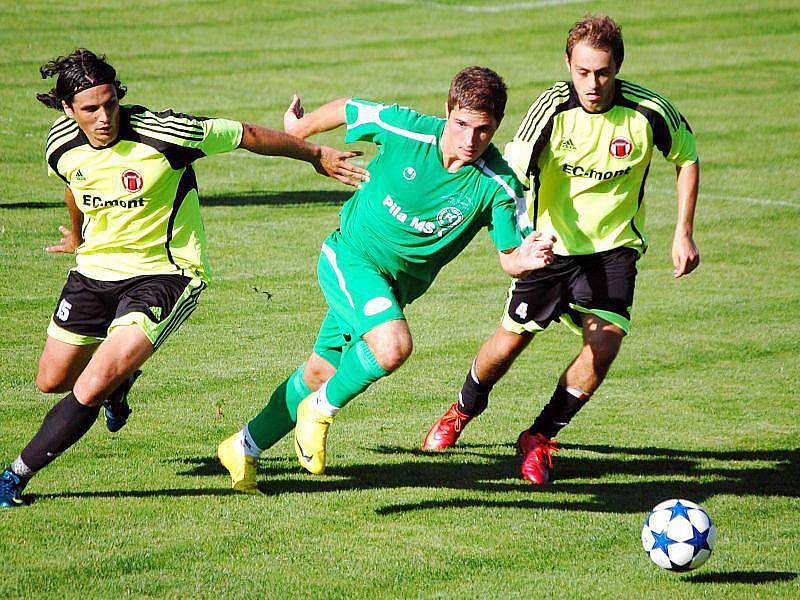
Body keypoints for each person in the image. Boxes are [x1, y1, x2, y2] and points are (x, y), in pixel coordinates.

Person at [0, 48, 367, 508]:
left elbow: (245, 135)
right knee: (52, 381)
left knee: (91, 386)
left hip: (165, 274)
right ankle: (121, 379)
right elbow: (76, 185)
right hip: (95, 272)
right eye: (90, 109)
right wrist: (76, 236)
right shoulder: (60, 144)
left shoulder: (165, 133)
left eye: (110, 103)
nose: (103, 117)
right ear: (68, 110)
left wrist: (314, 152)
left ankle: (14, 476)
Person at [217, 66, 556, 493]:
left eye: (483, 130)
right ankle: (317, 412)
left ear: (497, 127)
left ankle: (243, 446)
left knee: (321, 370)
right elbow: (348, 108)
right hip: (349, 258)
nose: (470, 140)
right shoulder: (408, 130)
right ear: (447, 111)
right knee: (392, 345)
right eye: (462, 125)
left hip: (391, 289)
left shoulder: (498, 184)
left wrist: (528, 257)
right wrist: (300, 129)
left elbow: (511, 257)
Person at [422, 15, 700, 484]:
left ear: (618, 67)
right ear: (568, 63)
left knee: (605, 343)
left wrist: (683, 231)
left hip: (614, 250)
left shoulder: (650, 112)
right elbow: (510, 175)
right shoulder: (550, 109)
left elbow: (687, 157)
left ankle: (541, 436)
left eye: (604, 72)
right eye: (583, 72)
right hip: (552, 249)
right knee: (508, 345)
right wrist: (526, 237)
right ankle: (464, 409)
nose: (593, 84)